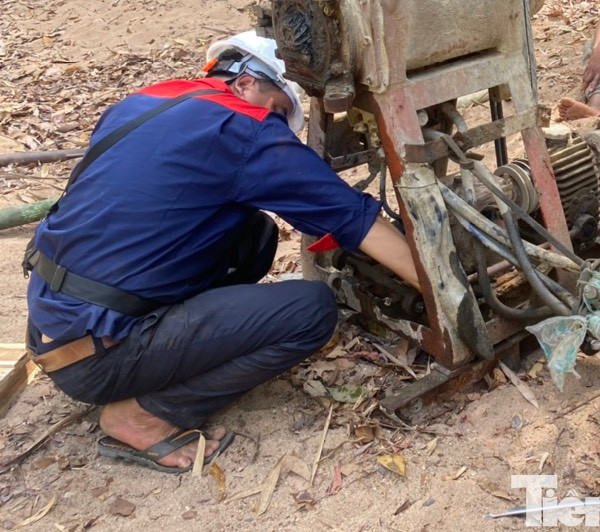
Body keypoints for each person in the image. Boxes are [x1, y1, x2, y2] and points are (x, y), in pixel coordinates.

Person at [23, 31, 420, 474]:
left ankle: (166, 346)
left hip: (54, 325)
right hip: (98, 357)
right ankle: (145, 415)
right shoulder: (244, 130)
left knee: (254, 234)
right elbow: (357, 221)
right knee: (310, 310)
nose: (274, 121)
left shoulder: (145, 101)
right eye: (278, 110)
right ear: (247, 83)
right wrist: (442, 292)